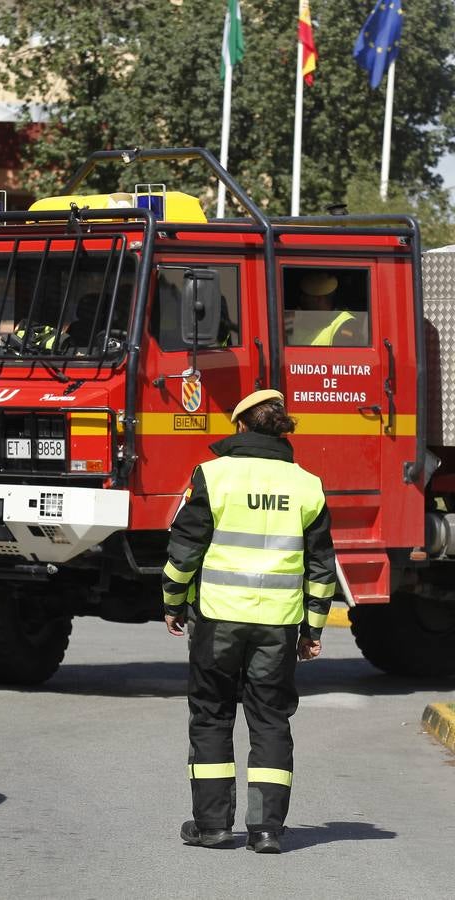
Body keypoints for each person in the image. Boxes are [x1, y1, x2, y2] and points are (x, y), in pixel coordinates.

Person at [162, 389, 336, 854]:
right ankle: (265, 831)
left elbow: (185, 550)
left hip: (218, 619)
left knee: (212, 714)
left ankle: (212, 826)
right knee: (270, 720)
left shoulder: (213, 476)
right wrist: (313, 630)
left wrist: (173, 602)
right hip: (278, 626)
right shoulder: (307, 484)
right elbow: (321, 568)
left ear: (240, 426)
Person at [288, 272, 357, 346]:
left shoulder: (345, 323)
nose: (301, 299)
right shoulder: (299, 321)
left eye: (306, 296)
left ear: (319, 299)